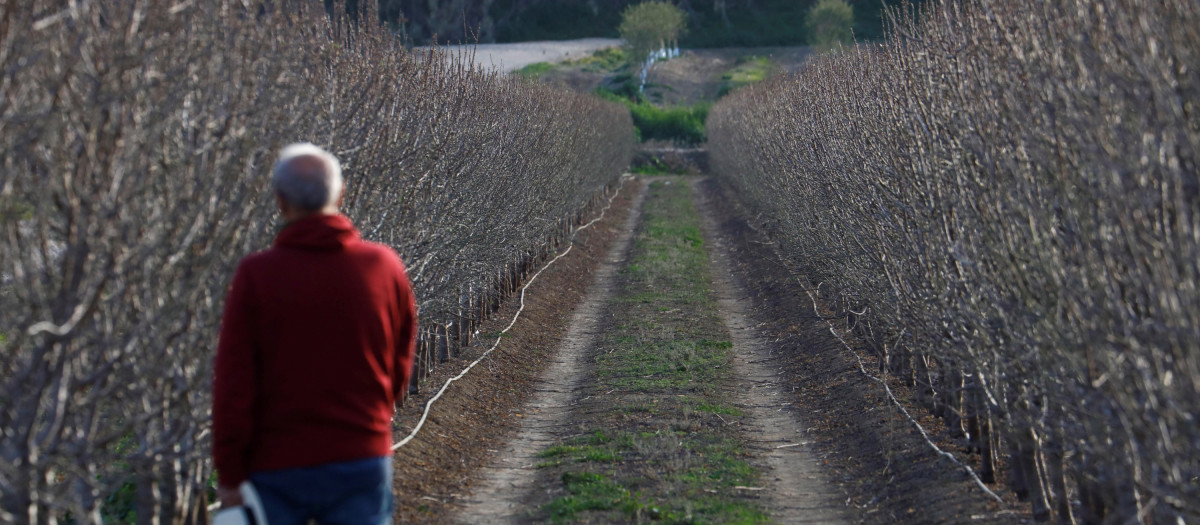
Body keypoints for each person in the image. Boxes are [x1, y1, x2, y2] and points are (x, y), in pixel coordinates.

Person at [212, 143, 418, 525]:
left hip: (275, 465)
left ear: (280, 201)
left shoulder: (257, 276)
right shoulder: (383, 267)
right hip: (360, 454)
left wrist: (229, 473)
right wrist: (372, 415)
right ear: (341, 195)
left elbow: (234, 383)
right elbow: (400, 362)